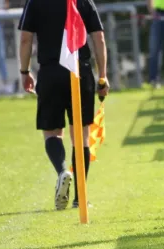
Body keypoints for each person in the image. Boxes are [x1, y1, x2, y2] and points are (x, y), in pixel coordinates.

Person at [17, 0, 109, 210]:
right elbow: (99, 37)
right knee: (81, 135)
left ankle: (61, 171)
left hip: (50, 72)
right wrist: (103, 76)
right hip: (80, 70)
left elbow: (25, 39)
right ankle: (80, 198)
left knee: (52, 132)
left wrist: (24, 71)